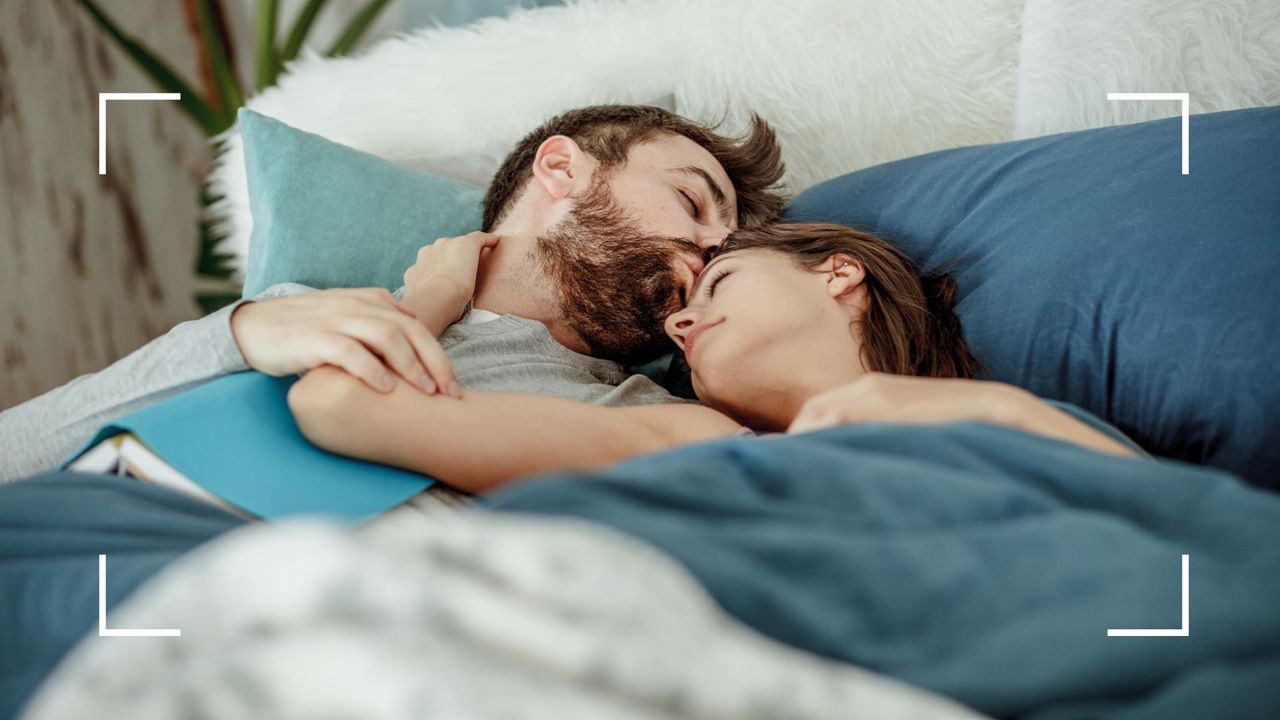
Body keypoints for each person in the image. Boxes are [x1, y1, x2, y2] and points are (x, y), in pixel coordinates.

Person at [0, 104, 785, 483]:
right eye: (693, 202)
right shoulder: (298, 313)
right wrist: (241, 334)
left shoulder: (655, 422)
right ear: (561, 169)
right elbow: (18, 454)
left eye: (730, 249)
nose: (714, 248)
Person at [288, 223, 1142, 493]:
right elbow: (339, 405)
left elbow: (1179, 537)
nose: (681, 325)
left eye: (720, 278)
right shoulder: (691, 436)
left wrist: (995, 412)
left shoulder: (1024, 422)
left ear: (840, 274)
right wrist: (437, 294)